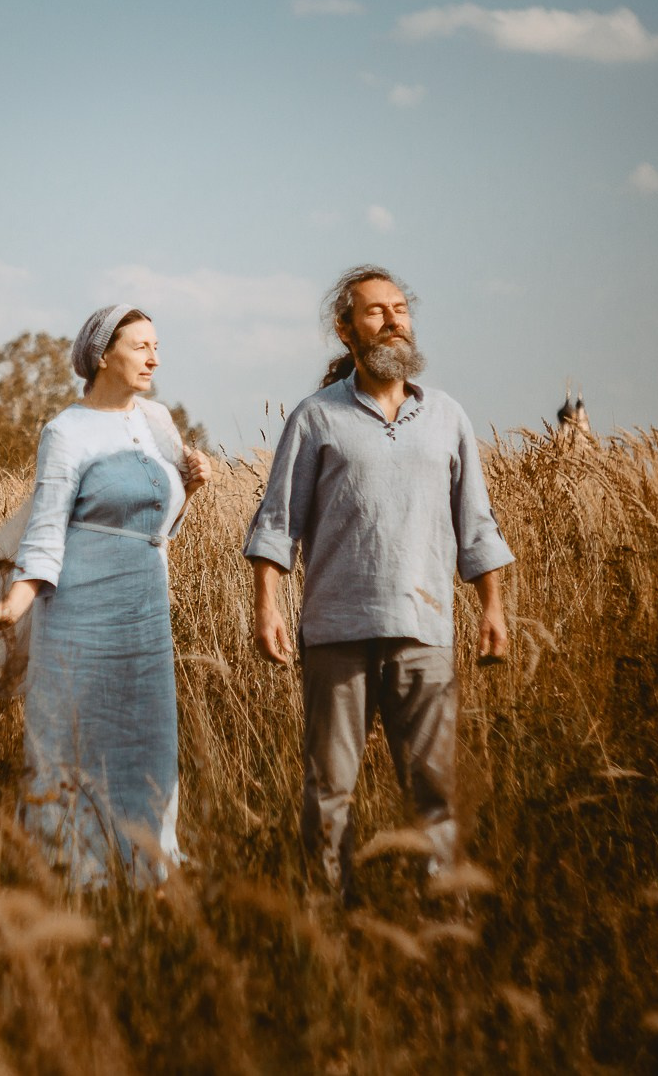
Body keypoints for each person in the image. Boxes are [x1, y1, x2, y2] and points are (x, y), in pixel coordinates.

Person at [244, 265, 514, 898]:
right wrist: (269, 604)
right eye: (375, 311)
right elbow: (277, 522)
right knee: (330, 788)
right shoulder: (316, 418)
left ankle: (445, 917)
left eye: (400, 308)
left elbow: (475, 523)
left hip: (425, 632)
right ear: (345, 330)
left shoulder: (446, 417)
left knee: (435, 788)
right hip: (337, 630)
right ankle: (326, 915)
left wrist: (492, 607)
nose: (393, 318)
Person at [0, 304, 213, 888]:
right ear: (104, 355)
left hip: (145, 606)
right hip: (80, 605)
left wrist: (191, 489)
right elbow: (47, 532)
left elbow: (157, 527)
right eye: (140, 346)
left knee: (148, 738)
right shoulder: (65, 431)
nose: (155, 356)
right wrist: (13, 605)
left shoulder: (158, 421)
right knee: (74, 736)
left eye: (157, 345)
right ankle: (74, 872)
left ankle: (147, 867)